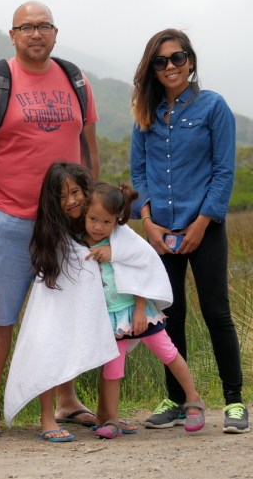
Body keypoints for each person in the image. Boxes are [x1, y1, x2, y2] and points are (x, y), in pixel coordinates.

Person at [0, 1, 100, 436]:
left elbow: (89, 149)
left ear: (55, 33)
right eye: (26, 27)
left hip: (67, 223)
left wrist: (89, 210)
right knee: (0, 317)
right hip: (10, 221)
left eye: (43, 26)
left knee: (63, 312)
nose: (36, 34)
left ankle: (67, 400)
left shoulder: (76, 80)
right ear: (13, 34)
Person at [131, 28, 248, 433]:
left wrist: (201, 224)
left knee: (217, 313)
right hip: (160, 231)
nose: (170, 67)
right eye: (160, 61)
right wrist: (148, 223)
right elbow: (138, 173)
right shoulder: (145, 113)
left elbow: (223, 171)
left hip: (205, 229)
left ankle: (234, 401)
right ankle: (177, 399)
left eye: (177, 58)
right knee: (170, 314)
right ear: (152, 68)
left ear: (190, 61)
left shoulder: (213, 106)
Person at [80, 181, 205, 439]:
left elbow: (140, 268)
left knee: (168, 353)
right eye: (93, 219)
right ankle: (112, 420)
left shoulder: (123, 240)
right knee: (112, 369)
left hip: (139, 313)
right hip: (112, 320)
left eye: (106, 222)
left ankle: (193, 400)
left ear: (117, 220)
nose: (98, 226)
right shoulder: (79, 242)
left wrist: (139, 308)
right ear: (84, 214)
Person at [2, 162, 115, 442]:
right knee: (49, 349)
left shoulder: (95, 219)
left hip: (81, 302)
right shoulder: (51, 228)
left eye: (75, 192)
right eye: (62, 197)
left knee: (86, 346)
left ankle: (103, 414)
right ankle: (46, 417)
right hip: (53, 301)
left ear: (85, 190)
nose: (71, 201)